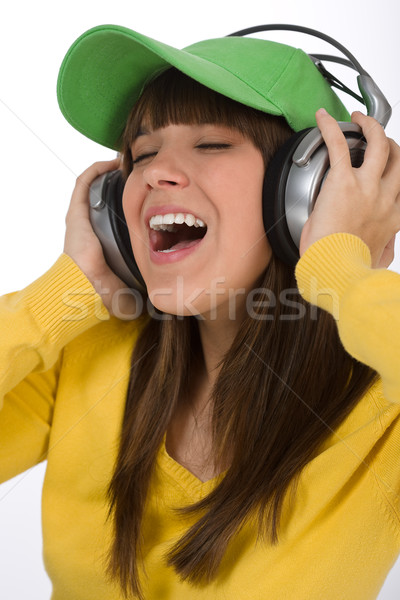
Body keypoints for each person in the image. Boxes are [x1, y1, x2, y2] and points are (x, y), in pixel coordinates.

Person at [1, 23, 400, 600]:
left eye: (212, 143)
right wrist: (61, 296)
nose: (155, 173)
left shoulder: (381, 409)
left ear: (313, 187)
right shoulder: (80, 356)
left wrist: (339, 268)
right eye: (141, 154)